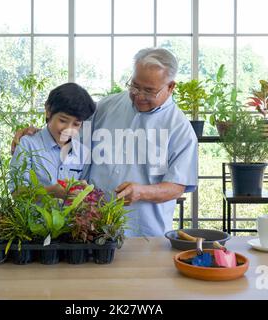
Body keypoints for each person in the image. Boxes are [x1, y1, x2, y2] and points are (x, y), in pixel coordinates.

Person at [11, 48, 198, 237]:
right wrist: (34, 133)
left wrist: (142, 192)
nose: (139, 95)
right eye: (134, 86)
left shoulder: (180, 130)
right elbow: (68, 125)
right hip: (91, 229)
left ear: (170, 86)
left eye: (149, 91)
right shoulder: (106, 107)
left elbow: (177, 187)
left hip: (144, 234)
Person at [10, 82, 96, 199]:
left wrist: (83, 192)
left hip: (69, 218)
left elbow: (83, 194)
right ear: (48, 111)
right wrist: (50, 191)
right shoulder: (28, 144)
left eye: (76, 124)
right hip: (32, 218)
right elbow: (16, 193)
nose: (68, 129)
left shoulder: (82, 153)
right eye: (63, 120)